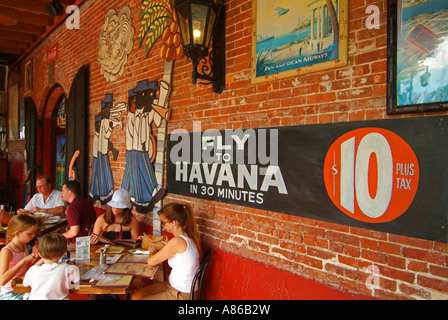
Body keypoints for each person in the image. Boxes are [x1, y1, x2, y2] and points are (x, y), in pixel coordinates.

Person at [132, 202, 201, 300]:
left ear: (173, 223)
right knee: (136, 296)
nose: (163, 226)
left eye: (163, 223)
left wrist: (152, 250)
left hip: (181, 295)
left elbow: (151, 262)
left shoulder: (177, 241)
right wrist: (167, 245)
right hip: (173, 287)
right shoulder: (186, 237)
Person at [23, 233, 80, 300]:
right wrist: (70, 263)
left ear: (40, 254)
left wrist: (41, 260)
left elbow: (25, 284)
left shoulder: (33, 270)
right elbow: (76, 283)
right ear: (64, 253)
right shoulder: (67, 268)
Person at [0, 215, 39, 300]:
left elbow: (26, 269)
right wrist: (23, 261)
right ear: (17, 233)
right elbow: (2, 281)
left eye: (34, 232)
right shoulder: (7, 251)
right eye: (30, 233)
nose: (33, 235)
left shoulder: (23, 244)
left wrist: (35, 260)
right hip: (10, 293)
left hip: (23, 287)